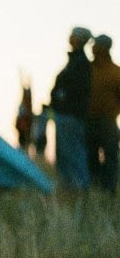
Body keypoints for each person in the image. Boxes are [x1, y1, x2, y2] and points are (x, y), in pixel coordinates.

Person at [50, 26, 92, 189]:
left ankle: (78, 186)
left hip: (72, 115)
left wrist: (61, 97)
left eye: (73, 35)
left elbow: (76, 90)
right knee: (65, 154)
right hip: (66, 114)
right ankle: (69, 186)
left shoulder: (80, 64)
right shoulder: (75, 62)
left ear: (79, 40)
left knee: (72, 152)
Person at [86, 34, 120, 193]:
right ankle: (94, 188)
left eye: (95, 45)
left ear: (103, 48)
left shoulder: (116, 72)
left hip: (108, 121)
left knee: (110, 157)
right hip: (88, 121)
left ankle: (109, 190)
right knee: (90, 157)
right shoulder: (87, 70)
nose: (92, 48)